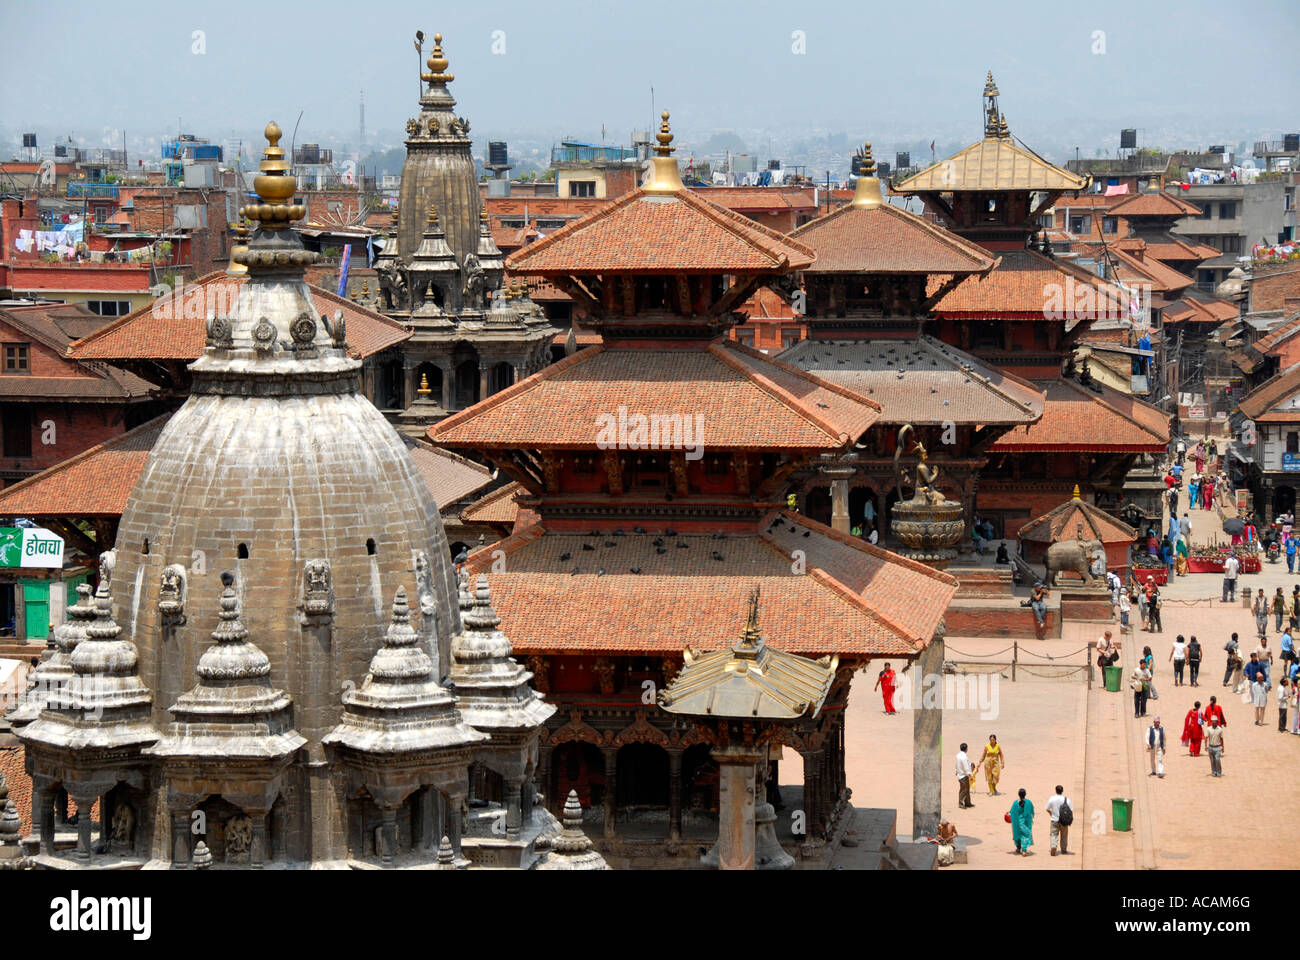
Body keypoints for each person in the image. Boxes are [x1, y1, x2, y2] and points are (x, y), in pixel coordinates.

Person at [1043, 785, 1071, 857]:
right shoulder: (1066, 799)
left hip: (1054, 820)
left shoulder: (1052, 799)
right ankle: (1064, 849)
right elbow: (1071, 809)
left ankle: (1053, 846)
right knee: (1064, 835)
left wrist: (1051, 814)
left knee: (1053, 834)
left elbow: (1047, 808)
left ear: (1056, 791)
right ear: (1062, 791)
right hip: (1064, 821)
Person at [1009, 788, 1034, 856]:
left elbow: (1011, 813)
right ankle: (1024, 850)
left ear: (1018, 794)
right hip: (1025, 823)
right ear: (1025, 794)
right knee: (1025, 836)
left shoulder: (1015, 803)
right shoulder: (1028, 802)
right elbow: (1032, 812)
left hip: (1017, 823)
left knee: (1017, 835)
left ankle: (1018, 848)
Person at [1245, 653, 1268, 725]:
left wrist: (1264, 679)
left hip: (1260, 681)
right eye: (1253, 657)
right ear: (1251, 658)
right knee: (1254, 694)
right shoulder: (1249, 664)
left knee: (1262, 707)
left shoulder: (1259, 664)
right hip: (1252, 681)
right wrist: (1246, 674)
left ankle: (1261, 721)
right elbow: (1245, 670)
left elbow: (1263, 672)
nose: (1255, 658)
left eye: (1255, 657)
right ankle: (1257, 719)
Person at [955, 743, 975, 809]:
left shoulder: (958, 755)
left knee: (966, 789)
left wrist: (956, 770)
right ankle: (961, 803)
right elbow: (966, 766)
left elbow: (957, 764)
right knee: (964, 790)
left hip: (960, 774)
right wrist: (970, 774)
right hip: (963, 775)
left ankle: (968, 803)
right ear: (966, 749)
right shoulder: (964, 757)